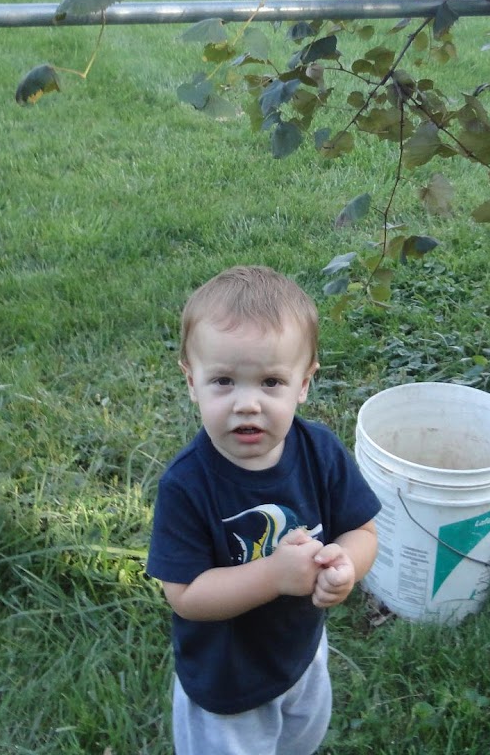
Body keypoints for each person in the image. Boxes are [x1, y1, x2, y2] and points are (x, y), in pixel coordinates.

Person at [147, 266, 381, 753]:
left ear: (304, 383)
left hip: (301, 655)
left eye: (271, 382)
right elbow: (185, 594)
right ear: (191, 382)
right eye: (223, 381)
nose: (248, 404)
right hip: (227, 682)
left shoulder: (320, 452)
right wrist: (274, 575)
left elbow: (361, 531)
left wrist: (345, 565)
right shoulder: (187, 485)